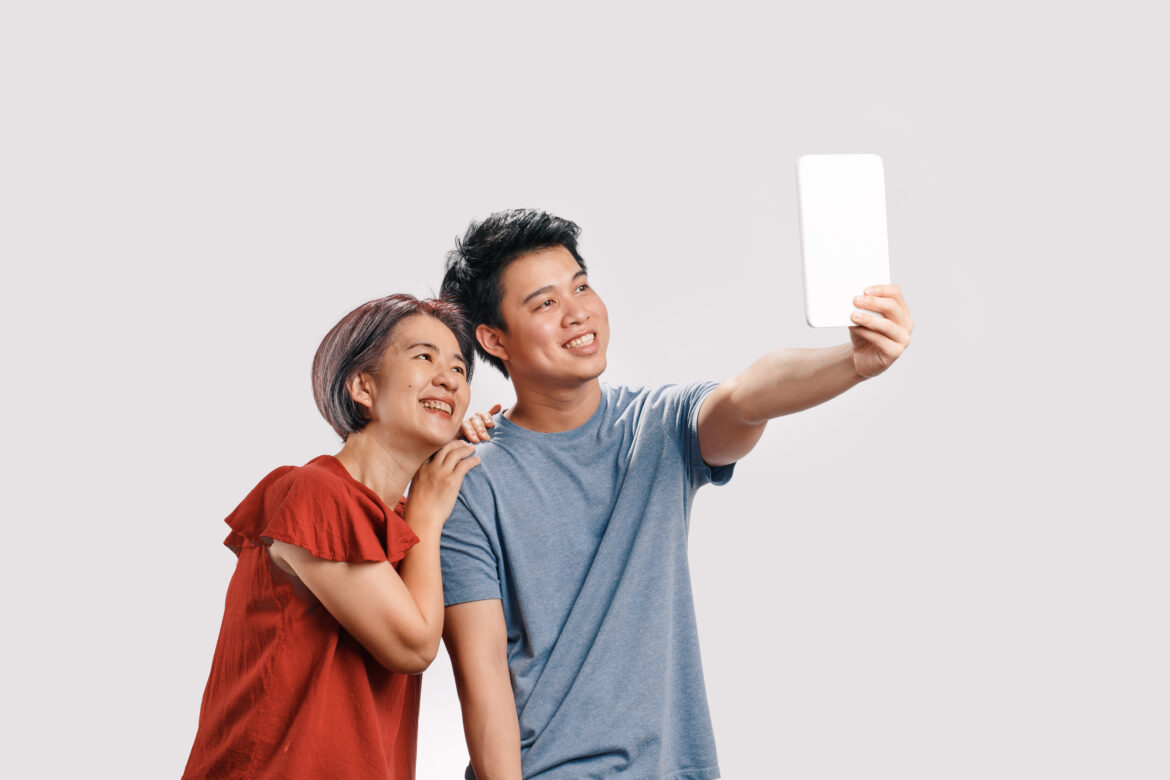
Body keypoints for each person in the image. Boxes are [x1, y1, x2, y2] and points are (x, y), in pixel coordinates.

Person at [439, 210, 914, 779]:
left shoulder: (658, 427)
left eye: (582, 286)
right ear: (494, 338)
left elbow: (745, 399)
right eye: (545, 304)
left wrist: (853, 362)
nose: (579, 313)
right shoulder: (469, 481)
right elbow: (482, 679)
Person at [183, 294, 480, 779]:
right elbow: (412, 647)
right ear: (363, 386)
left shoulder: (403, 517)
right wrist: (427, 516)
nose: (449, 378)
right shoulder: (314, 492)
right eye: (424, 357)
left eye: (460, 369)